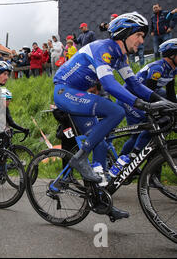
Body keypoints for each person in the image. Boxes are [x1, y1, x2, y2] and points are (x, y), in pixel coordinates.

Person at [53, 12, 177, 221]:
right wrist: (141, 104)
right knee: (116, 110)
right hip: (65, 91)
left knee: (99, 144)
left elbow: (134, 84)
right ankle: (80, 158)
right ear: (124, 33)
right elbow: (110, 85)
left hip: (80, 96)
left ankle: (101, 201)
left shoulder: (120, 56)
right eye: (138, 35)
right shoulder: (104, 48)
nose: (141, 40)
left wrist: (161, 101)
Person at [119, 38, 177, 157]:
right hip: (128, 98)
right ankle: (133, 156)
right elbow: (149, 94)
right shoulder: (158, 68)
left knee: (139, 133)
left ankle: (129, 157)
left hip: (143, 97)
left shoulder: (173, 70)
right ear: (172, 55)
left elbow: (170, 93)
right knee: (148, 124)